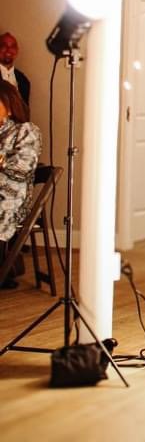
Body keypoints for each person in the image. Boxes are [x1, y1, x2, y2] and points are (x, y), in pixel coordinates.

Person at [0, 81, 41, 289]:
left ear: (9, 106)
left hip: (11, 197)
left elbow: (22, 166)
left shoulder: (25, 130)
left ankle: (5, 267)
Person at [0, 33, 30, 110]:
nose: (8, 50)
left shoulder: (24, 81)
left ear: (16, 51)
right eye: (4, 46)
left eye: (12, 46)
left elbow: (25, 111)